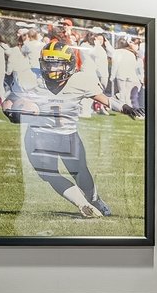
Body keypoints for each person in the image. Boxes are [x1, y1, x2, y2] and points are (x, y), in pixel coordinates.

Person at [12, 37, 115, 218]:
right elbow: (10, 100)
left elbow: (103, 98)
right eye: (49, 64)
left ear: (69, 64)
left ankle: (94, 199)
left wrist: (126, 107)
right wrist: (12, 111)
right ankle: (83, 204)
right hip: (40, 135)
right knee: (50, 175)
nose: (52, 69)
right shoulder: (31, 77)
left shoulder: (80, 79)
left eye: (57, 64)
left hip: (67, 135)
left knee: (81, 173)